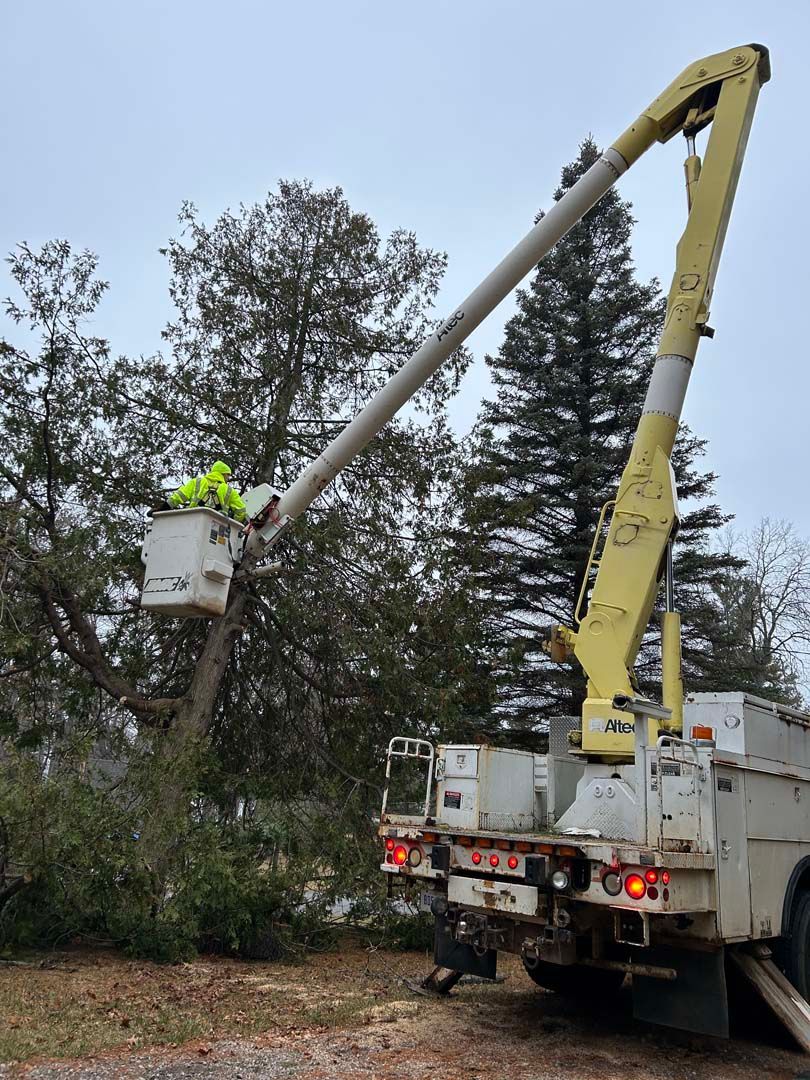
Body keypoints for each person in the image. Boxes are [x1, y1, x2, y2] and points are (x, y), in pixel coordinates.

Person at [166, 460, 247, 522]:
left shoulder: (197, 482)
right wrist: (232, 522)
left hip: (192, 521)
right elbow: (241, 511)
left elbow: (179, 496)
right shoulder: (229, 490)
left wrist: (164, 507)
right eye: (228, 475)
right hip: (217, 526)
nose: (228, 478)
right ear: (223, 474)